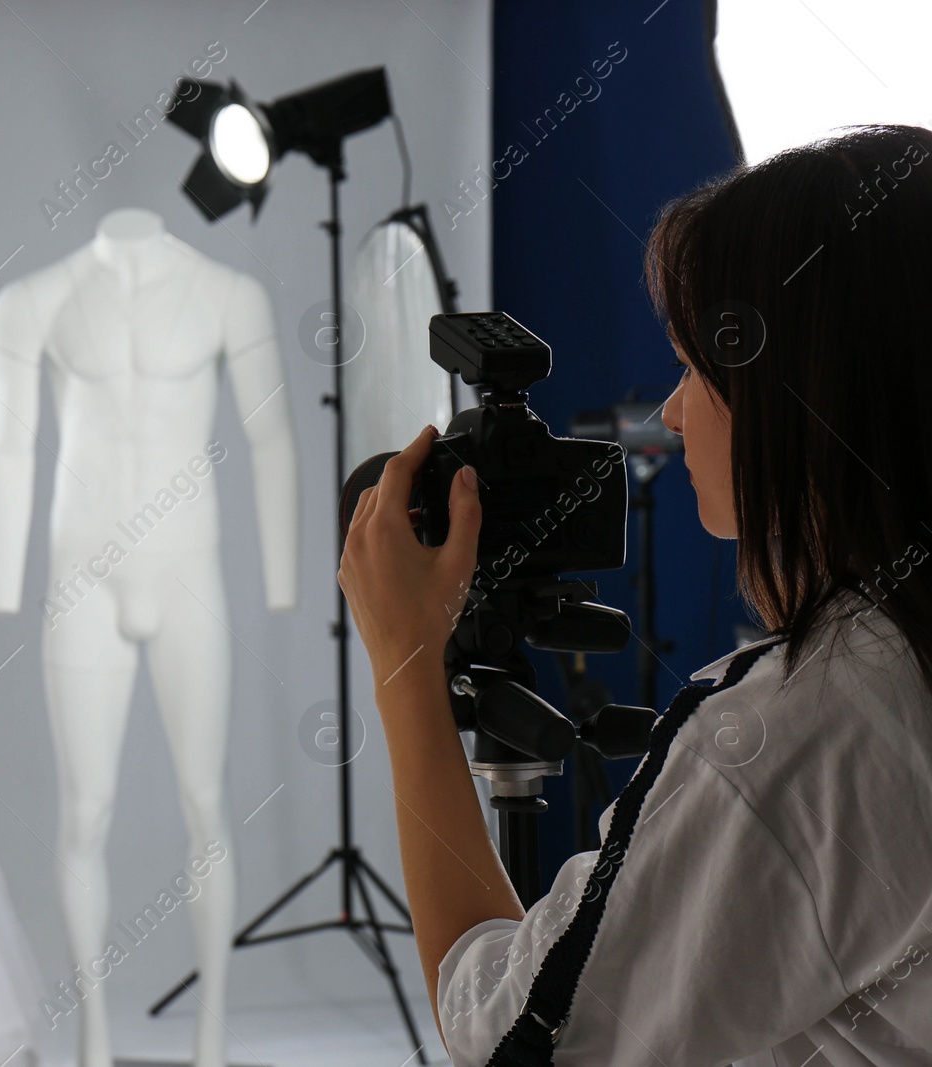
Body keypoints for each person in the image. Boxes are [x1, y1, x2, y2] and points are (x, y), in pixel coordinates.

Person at [337, 125, 932, 1066]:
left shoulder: (809, 726)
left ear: (803, 396)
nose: (670, 409)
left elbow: (515, 1035)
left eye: (696, 368)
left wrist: (408, 666)